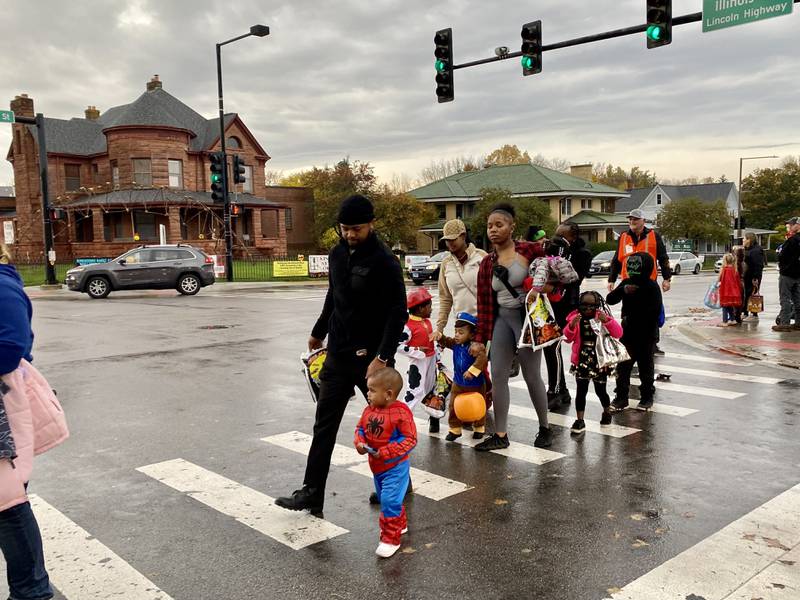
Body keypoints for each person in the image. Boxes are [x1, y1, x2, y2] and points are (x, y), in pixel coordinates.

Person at [276, 195, 407, 514]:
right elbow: (332, 294)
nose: (349, 235)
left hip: (370, 360)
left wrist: (383, 357)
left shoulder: (384, 260)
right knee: (324, 424)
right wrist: (319, 330)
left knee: (387, 423)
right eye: (345, 229)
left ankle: (398, 482)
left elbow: (397, 311)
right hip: (338, 353)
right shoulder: (336, 254)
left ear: (371, 224)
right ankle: (312, 492)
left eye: (356, 229)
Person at [1, 242, 69, 600]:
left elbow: (12, 346)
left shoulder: (1, 285)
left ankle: (31, 592)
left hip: (3, 406)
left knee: (7, 502)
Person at [471, 203, 553, 450]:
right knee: (498, 377)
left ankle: (545, 427)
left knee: (531, 376)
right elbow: (484, 304)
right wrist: (479, 338)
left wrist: (544, 289)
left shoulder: (531, 251)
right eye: (489, 226)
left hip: (527, 320)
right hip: (501, 321)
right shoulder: (487, 263)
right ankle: (501, 434)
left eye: (499, 225)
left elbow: (555, 281)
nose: (493, 230)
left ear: (511, 226)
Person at [354, 367, 417, 558]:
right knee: (385, 498)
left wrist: (387, 451)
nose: (368, 393)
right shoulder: (369, 410)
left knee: (389, 500)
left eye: (372, 390)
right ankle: (400, 523)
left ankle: (390, 539)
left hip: (395, 467)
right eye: (368, 389)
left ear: (388, 394)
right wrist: (359, 442)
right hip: (377, 466)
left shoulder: (401, 413)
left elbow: (410, 439)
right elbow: (361, 428)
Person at [608, 209, 672, 355]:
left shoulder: (653, 236)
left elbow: (663, 257)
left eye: (635, 219)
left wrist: (667, 278)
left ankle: (652, 342)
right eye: (630, 219)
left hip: (649, 282)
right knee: (628, 311)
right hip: (628, 280)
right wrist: (611, 279)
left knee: (651, 312)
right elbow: (617, 259)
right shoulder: (624, 236)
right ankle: (628, 340)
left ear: (643, 221)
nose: (632, 222)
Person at [543, 223, 592, 410]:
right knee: (550, 347)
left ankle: (556, 390)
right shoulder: (555, 250)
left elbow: (572, 278)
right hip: (549, 304)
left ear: (571, 236)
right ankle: (560, 389)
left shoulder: (582, 254)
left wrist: (561, 255)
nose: (556, 240)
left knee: (555, 346)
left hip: (567, 305)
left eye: (561, 236)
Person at [607, 252, 663, 411]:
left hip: (646, 334)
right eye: (630, 265)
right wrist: (623, 290)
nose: (632, 268)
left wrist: (634, 319)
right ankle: (621, 397)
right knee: (623, 367)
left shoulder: (651, 286)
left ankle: (646, 397)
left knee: (646, 367)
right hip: (628, 334)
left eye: (635, 265)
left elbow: (655, 310)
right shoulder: (626, 282)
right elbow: (610, 299)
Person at [562, 291, 622, 433]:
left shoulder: (601, 317)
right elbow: (566, 338)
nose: (588, 308)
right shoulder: (575, 318)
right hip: (582, 360)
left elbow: (618, 333)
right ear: (579, 305)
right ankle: (579, 420)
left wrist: (607, 321)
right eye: (584, 305)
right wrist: (571, 326)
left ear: (597, 305)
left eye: (592, 305)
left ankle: (607, 412)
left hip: (599, 361)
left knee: (600, 391)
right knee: (581, 391)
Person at [436, 312, 489, 441]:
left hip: (476, 383)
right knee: (453, 405)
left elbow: (482, 359)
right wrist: (440, 336)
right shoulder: (455, 343)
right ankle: (455, 429)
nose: (456, 335)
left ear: (471, 335)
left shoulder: (474, 347)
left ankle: (479, 427)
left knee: (479, 405)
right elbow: (447, 341)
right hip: (458, 382)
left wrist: (472, 371)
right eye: (456, 332)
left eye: (461, 332)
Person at [397, 288, 437, 413]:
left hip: (431, 359)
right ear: (420, 309)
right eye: (429, 306)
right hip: (418, 362)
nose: (431, 309)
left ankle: (434, 419)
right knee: (415, 391)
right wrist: (416, 350)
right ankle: (403, 416)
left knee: (432, 389)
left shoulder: (427, 322)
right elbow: (397, 345)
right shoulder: (408, 326)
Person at [773, 217, 800, 332]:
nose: (789, 227)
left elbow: (782, 256)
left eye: (790, 225)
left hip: (787, 274)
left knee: (785, 299)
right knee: (798, 299)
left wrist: (781, 262)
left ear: (797, 225)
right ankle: (798, 322)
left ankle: (785, 323)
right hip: (798, 274)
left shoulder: (792, 240)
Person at [742, 232, 765, 322]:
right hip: (747, 276)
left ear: (749, 239)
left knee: (753, 294)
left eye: (744, 238)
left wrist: (755, 277)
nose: (743, 240)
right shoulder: (748, 249)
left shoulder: (756, 250)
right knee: (747, 294)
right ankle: (745, 312)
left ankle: (754, 314)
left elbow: (758, 265)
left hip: (753, 276)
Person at [717, 253, 743, 327]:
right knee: (730, 306)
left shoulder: (724, 270)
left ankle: (724, 321)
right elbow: (738, 282)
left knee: (725, 306)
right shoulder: (735, 270)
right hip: (734, 292)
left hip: (725, 291)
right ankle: (732, 319)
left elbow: (720, 279)